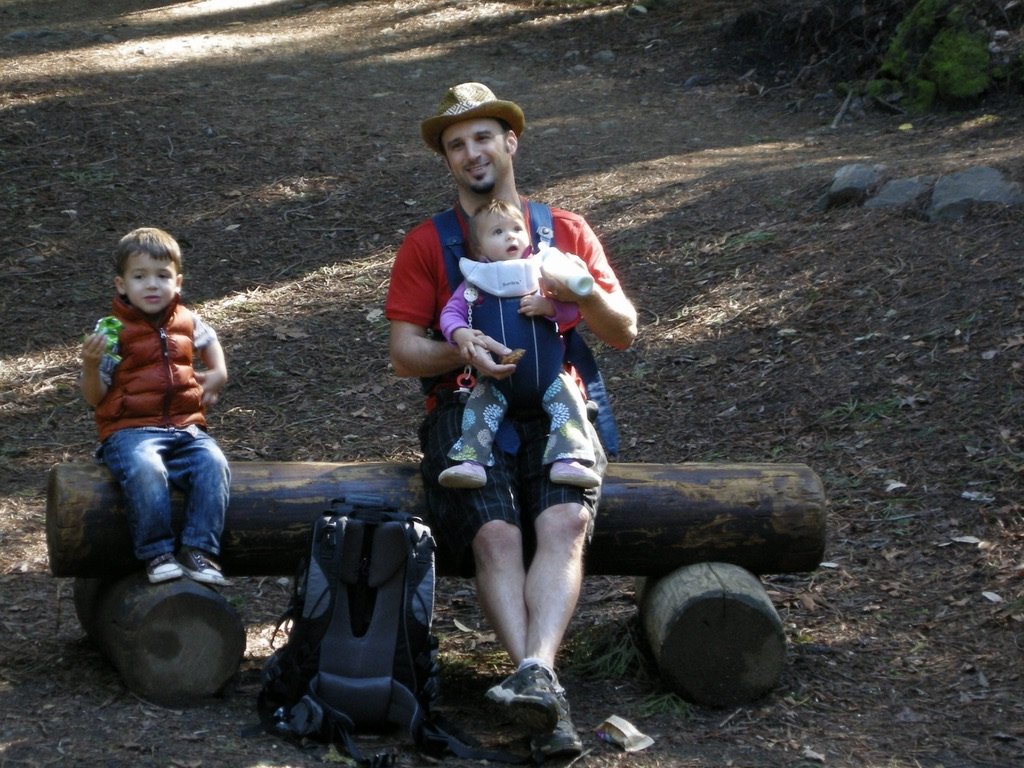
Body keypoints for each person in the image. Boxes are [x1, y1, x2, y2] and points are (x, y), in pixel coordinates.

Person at [385, 83, 637, 759]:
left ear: (511, 141)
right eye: (457, 143)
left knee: (565, 521)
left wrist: (576, 294)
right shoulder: (429, 244)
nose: (472, 153)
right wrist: (459, 344)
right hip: (466, 406)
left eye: (483, 137)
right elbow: (405, 353)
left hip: (560, 407)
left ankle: (536, 674)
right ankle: (543, 687)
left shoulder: (565, 232)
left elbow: (625, 330)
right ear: (447, 158)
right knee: (494, 536)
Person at [80, 227, 231, 587]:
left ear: (177, 282)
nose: (152, 285)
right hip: (129, 433)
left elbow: (210, 341)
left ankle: (199, 550)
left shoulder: (187, 320)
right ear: (121, 285)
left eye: (162, 276)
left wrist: (219, 372)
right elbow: (94, 396)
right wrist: (89, 366)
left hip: (185, 427)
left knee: (214, 463)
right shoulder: (112, 330)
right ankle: (156, 552)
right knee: (147, 470)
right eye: (140, 276)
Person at [438, 198, 601, 491]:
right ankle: (472, 462)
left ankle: (569, 459)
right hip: (496, 379)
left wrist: (550, 307)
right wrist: (460, 333)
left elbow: (574, 311)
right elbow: (451, 314)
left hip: (549, 376)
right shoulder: (474, 284)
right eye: (497, 232)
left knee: (571, 403)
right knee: (479, 408)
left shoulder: (542, 276)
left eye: (516, 228)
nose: (510, 236)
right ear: (478, 248)